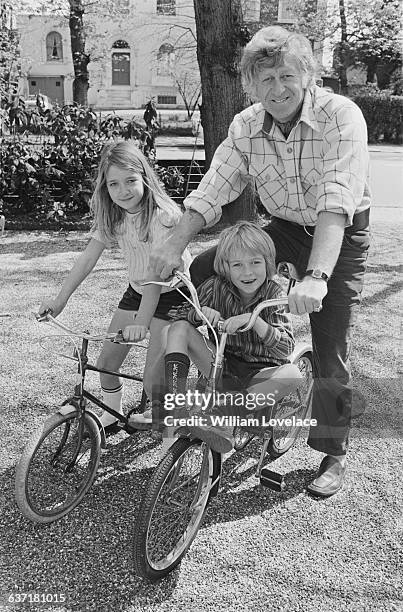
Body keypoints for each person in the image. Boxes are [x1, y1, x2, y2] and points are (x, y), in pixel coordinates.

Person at [149, 26, 371, 497]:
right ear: (251, 83)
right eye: (265, 79)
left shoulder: (340, 116)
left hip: (340, 233)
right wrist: (174, 247)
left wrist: (315, 276)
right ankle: (200, 395)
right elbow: (215, 187)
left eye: (287, 75)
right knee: (202, 271)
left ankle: (334, 452)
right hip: (285, 227)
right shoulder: (246, 125)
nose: (278, 89)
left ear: (308, 74)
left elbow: (335, 203)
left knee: (329, 345)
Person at [38, 139, 192, 431]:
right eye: (114, 184)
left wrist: (143, 323)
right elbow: (87, 259)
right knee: (106, 363)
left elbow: (156, 278)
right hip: (137, 291)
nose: (123, 191)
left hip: (173, 295)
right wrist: (59, 301)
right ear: (105, 187)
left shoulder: (164, 215)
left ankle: (174, 422)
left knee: (153, 379)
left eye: (131, 181)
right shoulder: (113, 213)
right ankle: (113, 414)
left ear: (145, 177)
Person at [131, 221, 303, 452]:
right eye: (238, 265)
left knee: (292, 374)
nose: (248, 272)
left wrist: (256, 322)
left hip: (260, 375)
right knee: (179, 328)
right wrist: (200, 314)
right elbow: (180, 315)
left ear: (267, 263)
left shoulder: (273, 294)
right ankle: (176, 407)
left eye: (255, 263)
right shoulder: (215, 287)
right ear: (226, 267)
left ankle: (225, 414)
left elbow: (286, 349)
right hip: (221, 364)